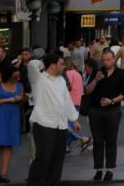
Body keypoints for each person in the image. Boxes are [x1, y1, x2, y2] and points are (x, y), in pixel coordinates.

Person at [27, 51, 81, 186]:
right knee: (43, 158)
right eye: (61, 64)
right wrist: (44, 62)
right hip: (43, 124)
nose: (64, 66)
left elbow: (67, 101)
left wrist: (74, 119)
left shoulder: (61, 80)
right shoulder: (38, 79)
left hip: (61, 125)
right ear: (52, 65)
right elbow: (32, 65)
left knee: (57, 160)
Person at [85, 46, 124, 180]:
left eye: (108, 60)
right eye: (103, 60)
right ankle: (98, 169)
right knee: (97, 141)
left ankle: (110, 169)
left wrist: (112, 101)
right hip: (95, 111)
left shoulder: (121, 74)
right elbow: (87, 91)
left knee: (111, 140)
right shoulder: (97, 72)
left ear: (114, 59)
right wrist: (96, 80)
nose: (106, 63)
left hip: (112, 110)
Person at [63, 56, 91, 154]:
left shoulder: (68, 74)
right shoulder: (78, 74)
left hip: (70, 102)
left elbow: (66, 87)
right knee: (72, 123)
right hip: (78, 101)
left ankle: (83, 138)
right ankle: (66, 146)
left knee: (67, 124)